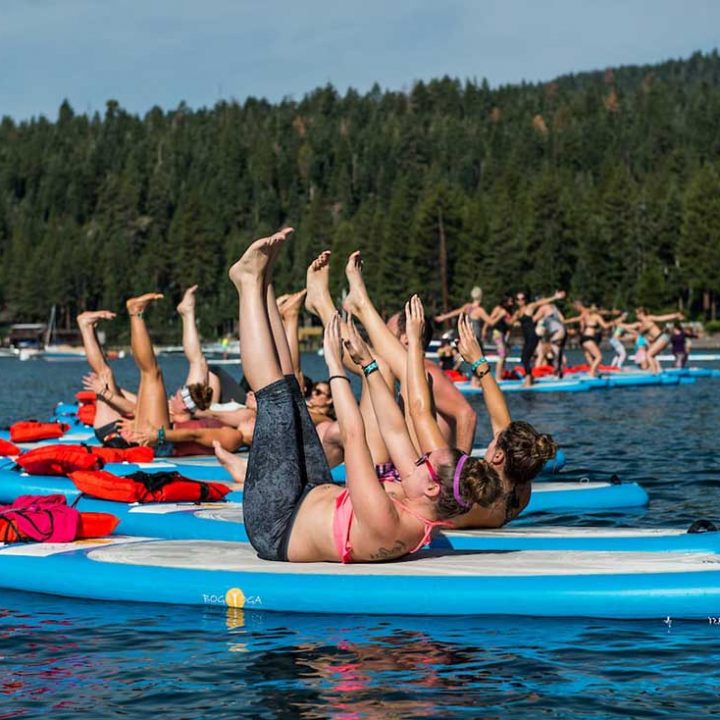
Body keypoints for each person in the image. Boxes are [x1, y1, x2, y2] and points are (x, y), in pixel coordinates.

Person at [77, 310, 138, 448]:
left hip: (112, 430)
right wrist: (111, 388)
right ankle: (90, 329)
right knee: (104, 374)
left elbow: (136, 410)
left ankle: (85, 326)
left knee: (105, 372)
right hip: (112, 428)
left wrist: (104, 391)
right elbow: (138, 406)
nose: (176, 397)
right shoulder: (168, 412)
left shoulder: (172, 416)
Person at [513, 290, 566, 386]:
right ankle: (530, 378)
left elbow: (540, 302)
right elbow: (510, 322)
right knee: (524, 358)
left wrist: (555, 297)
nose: (521, 301)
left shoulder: (529, 307)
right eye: (518, 299)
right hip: (527, 338)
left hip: (533, 336)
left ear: (526, 300)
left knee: (525, 358)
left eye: (523, 299)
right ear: (516, 301)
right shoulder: (517, 312)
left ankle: (529, 380)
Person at [564, 301, 610, 378]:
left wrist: (565, 321)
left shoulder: (585, 315)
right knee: (599, 357)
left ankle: (593, 371)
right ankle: (592, 373)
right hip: (588, 338)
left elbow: (578, 322)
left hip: (583, 339)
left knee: (588, 355)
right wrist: (614, 322)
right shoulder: (595, 316)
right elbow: (605, 326)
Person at [632, 308, 685, 374]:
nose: (636, 316)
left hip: (663, 338)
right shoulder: (642, 324)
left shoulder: (649, 318)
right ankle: (659, 370)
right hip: (659, 339)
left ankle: (654, 373)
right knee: (652, 355)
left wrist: (675, 315)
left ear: (642, 313)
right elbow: (638, 333)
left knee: (649, 355)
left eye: (637, 314)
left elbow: (662, 318)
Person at [485, 296, 514, 382]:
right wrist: (484, 330)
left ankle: (502, 374)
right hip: (497, 333)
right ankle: (497, 377)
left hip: (503, 334)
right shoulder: (498, 309)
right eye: (510, 301)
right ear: (505, 302)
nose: (512, 303)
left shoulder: (509, 311)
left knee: (505, 355)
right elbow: (490, 319)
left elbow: (509, 324)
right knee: (502, 355)